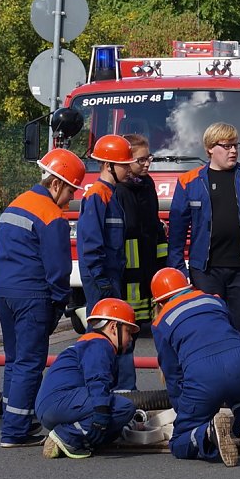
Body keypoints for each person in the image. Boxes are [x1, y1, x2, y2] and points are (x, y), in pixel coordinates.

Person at [167, 122, 240, 368]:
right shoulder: (189, 181)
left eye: (235, 145)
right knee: (209, 325)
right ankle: (211, 375)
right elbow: (176, 233)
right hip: (206, 270)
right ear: (210, 149)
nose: (233, 151)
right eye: (226, 146)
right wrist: (179, 269)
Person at [0, 148, 85, 448]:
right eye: (70, 189)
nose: (71, 197)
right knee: (30, 363)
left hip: (4, 292)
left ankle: (14, 417)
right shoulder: (52, 215)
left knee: (14, 360)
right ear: (56, 183)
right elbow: (58, 269)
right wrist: (60, 303)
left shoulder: (15, 205)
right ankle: (16, 431)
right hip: (32, 296)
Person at [150, 267, 240, 466]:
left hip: (205, 377)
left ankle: (209, 432)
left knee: (179, 442)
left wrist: (184, 409)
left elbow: (173, 373)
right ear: (187, 287)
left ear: (159, 301)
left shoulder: (161, 322)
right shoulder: (214, 300)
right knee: (238, 389)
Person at [36, 298, 138, 459]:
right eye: (128, 332)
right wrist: (101, 413)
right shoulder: (100, 345)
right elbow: (97, 380)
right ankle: (66, 436)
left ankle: (79, 436)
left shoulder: (89, 343)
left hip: (53, 406)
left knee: (113, 409)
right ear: (113, 327)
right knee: (123, 408)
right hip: (60, 402)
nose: (131, 339)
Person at [77, 134, 137, 391]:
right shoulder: (97, 196)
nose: (128, 168)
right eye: (124, 164)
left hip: (109, 277)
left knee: (119, 337)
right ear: (108, 165)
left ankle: (119, 393)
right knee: (109, 337)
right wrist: (102, 284)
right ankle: (110, 392)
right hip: (101, 279)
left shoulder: (112, 195)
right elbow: (91, 246)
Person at [114, 134, 167, 326]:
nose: (147, 164)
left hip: (150, 261)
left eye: (149, 158)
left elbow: (151, 220)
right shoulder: (119, 190)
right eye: (141, 160)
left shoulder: (148, 184)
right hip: (129, 268)